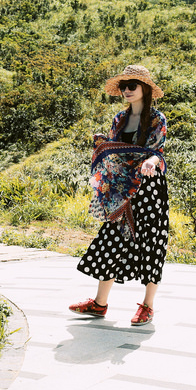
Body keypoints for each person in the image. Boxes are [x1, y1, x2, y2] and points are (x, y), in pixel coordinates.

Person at [70, 65, 169, 326]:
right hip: (123, 187)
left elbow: (157, 151)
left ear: (145, 89)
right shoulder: (119, 119)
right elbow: (116, 152)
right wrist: (102, 145)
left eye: (132, 85)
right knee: (111, 237)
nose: (126, 90)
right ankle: (100, 304)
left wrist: (149, 159)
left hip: (148, 187)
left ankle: (148, 306)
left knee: (150, 241)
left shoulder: (158, 119)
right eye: (124, 85)